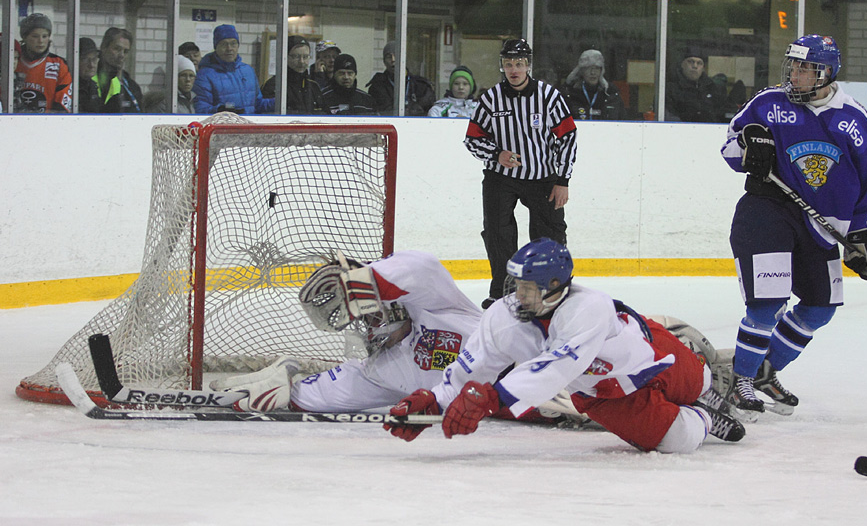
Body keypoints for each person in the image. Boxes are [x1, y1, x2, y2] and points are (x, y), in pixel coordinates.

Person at [385, 238, 745, 451]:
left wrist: (494, 398)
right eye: (516, 285)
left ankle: (703, 394)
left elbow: (558, 365)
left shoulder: (588, 307)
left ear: (555, 286)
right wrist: (435, 401)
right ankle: (704, 417)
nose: (517, 296)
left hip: (652, 356)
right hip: (604, 395)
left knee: (698, 381)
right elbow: (474, 364)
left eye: (528, 288)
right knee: (676, 441)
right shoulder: (503, 316)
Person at [720, 34, 867, 417]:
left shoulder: (852, 118)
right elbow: (729, 147)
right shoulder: (768, 103)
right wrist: (750, 150)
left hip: (821, 224)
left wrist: (859, 232)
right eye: (793, 65)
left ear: (825, 73)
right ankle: (740, 379)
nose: (796, 73)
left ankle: (764, 371)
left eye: (805, 68)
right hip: (768, 209)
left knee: (820, 308)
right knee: (768, 302)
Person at [213, 251, 480, 413]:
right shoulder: (384, 370)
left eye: (371, 315)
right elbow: (331, 391)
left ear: (394, 306)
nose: (370, 328)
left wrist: (364, 279)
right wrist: (285, 392)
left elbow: (422, 267)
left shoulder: (437, 306)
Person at [464, 38, 577, 310]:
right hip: (500, 178)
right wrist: (496, 154)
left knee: (549, 236)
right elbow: (472, 138)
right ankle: (502, 291)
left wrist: (562, 180)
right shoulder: (491, 98)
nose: (513, 70)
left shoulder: (549, 97)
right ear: (501, 66)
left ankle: (551, 289)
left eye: (519, 64)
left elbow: (568, 136)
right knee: (497, 234)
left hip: (543, 178)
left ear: (528, 66)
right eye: (508, 64)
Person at [193, 24, 274, 115]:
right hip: (222, 127)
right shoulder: (205, 75)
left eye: (233, 43)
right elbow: (200, 109)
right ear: (216, 47)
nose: (229, 48)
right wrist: (220, 110)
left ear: (238, 46)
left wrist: (278, 102)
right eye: (224, 44)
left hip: (248, 127)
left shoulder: (248, 71)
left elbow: (257, 104)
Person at [14, 13, 73, 113]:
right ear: (24, 37)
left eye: (44, 36)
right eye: (35, 36)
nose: (41, 41)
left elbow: (63, 104)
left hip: (48, 124)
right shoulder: (15, 60)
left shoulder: (59, 64)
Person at [366, 41, 436, 116]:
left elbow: (430, 113)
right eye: (389, 57)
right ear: (384, 61)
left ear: (404, 58)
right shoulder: (378, 87)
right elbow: (382, 112)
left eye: (396, 55)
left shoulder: (421, 86)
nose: (393, 60)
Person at [260, 35, 325, 115]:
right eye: (296, 56)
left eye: (305, 57)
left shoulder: (313, 86)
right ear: (285, 57)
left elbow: (324, 114)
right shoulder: (274, 85)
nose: (301, 61)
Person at [665, 45, 726, 123]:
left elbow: (722, 114)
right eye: (690, 62)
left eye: (699, 63)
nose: (695, 66)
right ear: (682, 65)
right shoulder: (671, 89)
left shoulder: (712, 88)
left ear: (703, 68)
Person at [562, 49, 625, 121]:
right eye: (588, 68)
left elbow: (623, 123)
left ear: (602, 71)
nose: (593, 72)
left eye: (597, 68)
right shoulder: (570, 95)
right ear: (581, 71)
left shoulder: (611, 95)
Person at [95, 27, 143, 113]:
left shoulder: (131, 86)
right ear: (103, 47)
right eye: (117, 49)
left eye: (125, 51)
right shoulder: (90, 79)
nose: (121, 55)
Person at [77, 37, 103, 113]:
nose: (91, 65)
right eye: (85, 59)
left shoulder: (94, 86)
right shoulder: (70, 87)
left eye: (94, 59)